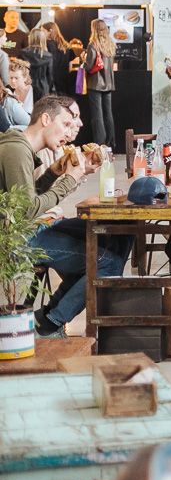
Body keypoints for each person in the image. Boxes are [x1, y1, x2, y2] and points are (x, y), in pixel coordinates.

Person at [10, 96, 112, 338]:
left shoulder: (22, 148)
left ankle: (49, 318)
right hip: (18, 238)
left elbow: (26, 199)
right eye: (66, 124)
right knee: (106, 262)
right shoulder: (16, 151)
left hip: (28, 228)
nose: (71, 130)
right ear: (46, 119)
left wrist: (54, 173)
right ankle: (50, 323)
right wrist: (70, 178)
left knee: (111, 232)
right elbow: (27, 211)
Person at [83, 18, 116, 149]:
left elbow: (89, 66)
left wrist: (83, 61)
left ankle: (100, 144)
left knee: (97, 115)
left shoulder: (93, 45)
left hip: (95, 84)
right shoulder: (111, 44)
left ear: (94, 29)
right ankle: (111, 143)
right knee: (108, 114)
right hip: (109, 83)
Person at [18, 28, 54, 102]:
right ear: (43, 39)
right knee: (41, 108)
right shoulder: (48, 56)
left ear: (31, 38)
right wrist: (50, 89)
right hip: (43, 87)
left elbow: (19, 72)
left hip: (26, 85)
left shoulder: (22, 53)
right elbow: (50, 76)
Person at [42, 22, 74, 96]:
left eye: (43, 31)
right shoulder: (66, 45)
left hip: (51, 81)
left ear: (50, 31)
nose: (41, 34)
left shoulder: (46, 44)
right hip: (64, 80)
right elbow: (71, 65)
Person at [3, 60, 33, 129]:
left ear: (25, 78)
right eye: (11, 78)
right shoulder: (8, 91)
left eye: (16, 78)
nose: (13, 81)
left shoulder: (35, 91)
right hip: (16, 129)